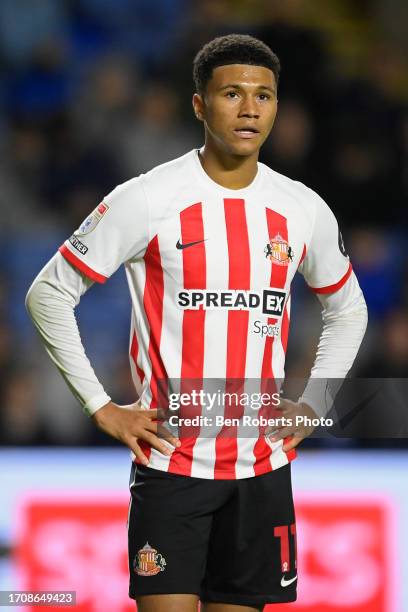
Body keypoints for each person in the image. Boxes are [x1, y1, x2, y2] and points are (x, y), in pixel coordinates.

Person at [26, 34, 368, 612]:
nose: (250, 109)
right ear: (199, 105)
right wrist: (100, 405)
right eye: (232, 93)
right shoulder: (148, 199)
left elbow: (349, 307)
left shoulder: (301, 207)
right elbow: (49, 293)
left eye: (264, 96)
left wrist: (314, 401)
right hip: (172, 466)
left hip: (262, 468)